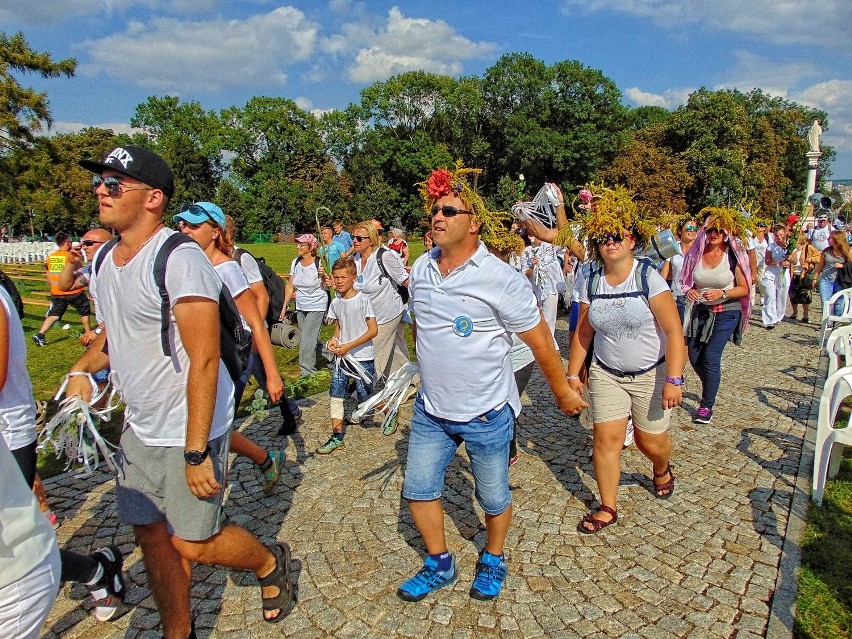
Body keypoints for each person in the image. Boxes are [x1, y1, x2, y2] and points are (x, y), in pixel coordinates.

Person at [70, 146, 293, 635]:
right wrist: (81, 370)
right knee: (151, 537)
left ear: (153, 198)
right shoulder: (106, 258)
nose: (101, 192)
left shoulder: (179, 257)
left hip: (189, 426)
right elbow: (116, 336)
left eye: (114, 184)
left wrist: (196, 452)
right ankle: (179, 630)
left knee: (193, 542)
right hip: (140, 426)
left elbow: (205, 357)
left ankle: (266, 563)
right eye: (99, 182)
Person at [396, 165, 588, 603]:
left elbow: (541, 341)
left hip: (486, 412)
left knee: (493, 496)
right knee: (418, 491)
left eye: (448, 210)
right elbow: (420, 327)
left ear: (474, 221)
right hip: (432, 411)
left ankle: (494, 557)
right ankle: (439, 563)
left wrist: (562, 392)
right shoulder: (421, 269)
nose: (437, 217)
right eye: (433, 211)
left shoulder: (501, 279)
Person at [1, 283, 125, 627]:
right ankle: (96, 570)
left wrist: (84, 366)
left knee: (16, 543)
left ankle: (94, 570)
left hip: (8, 433)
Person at [566, 223, 686, 534]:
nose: (610, 242)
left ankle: (661, 467)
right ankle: (608, 506)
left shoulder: (648, 278)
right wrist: (572, 373)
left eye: (616, 236)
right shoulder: (592, 280)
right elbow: (584, 331)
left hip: (651, 374)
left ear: (631, 241)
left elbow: (674, 333)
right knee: (606, 441)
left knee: (650, 442)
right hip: (606, 372)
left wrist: (674, 378)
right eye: (603, 237)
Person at [175, 202, 287, 495]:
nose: (184, 230)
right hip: (203, 359)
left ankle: (213, 500)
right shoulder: (187, 266)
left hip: (231, 359)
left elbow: (256, 322)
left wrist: (272, 374)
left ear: (215, 232)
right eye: (182, 225)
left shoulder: (227, 268)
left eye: (193, 225)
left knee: (212, 425)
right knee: (212, 424)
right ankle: (265, 460)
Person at [225, 216, 301, 434]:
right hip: (232, 333)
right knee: (265, 376)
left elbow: (262, 298)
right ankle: (291, 411)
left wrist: (255, 332)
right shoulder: (215, 259)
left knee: (236, 383)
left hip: (249, 333)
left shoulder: (242, 258)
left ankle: (223, 430)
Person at [681, 213, 752, 423]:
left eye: (719, 230)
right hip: (700, 309)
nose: (714, 234)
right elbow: (686, 282)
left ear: (726, 233)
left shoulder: (733, 256)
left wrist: (723, 293)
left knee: (711, 356)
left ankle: (706, 405)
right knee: (694, 357)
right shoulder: (696, 254)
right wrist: (689, 292)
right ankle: (711, 383)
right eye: (710, 230)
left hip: (726, 310)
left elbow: (744, 288)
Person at [316, 257, 378, 454]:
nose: (339, 281)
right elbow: (339, 326)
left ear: (354, 278)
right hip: (343, 358)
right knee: (336, 392)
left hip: (362, 356)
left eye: (343, 277)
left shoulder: (363, 300)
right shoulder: (336, 302)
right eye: (336, 278)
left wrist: (350, 345)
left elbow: (373, 330)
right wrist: (335, 340)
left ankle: (385, 406)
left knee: (364, 394)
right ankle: (337, 436)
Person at [349, 220, 410, 386]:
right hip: (370, 316)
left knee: (375, 352)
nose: (355, 241)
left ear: (372, 239)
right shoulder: (355, 259)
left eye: (359, 238)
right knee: (395, 350)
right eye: (353, 237)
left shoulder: (385, 256)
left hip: (388, 313)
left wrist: (424, 301)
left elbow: (405, 280)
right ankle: (412, 381)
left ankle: (368, 390)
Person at [32, 232, 92, 346]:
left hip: (57, 291)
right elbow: (81, 272)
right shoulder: (70, 256)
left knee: (54, 314)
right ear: (67, 242)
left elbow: (49, 274)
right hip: (73, 291)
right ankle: (89, 334)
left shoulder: (51, 257)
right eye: (70, 241)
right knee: (84, 312)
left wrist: (51, 288)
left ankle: (41, 334)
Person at [282, 233, 328, 377]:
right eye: (298, 244)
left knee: (307, 339)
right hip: (301, 306)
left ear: (311, 247)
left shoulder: (320, 263)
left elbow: (329, 286)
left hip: (317, 305)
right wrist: (284, 306)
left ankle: (307, 372)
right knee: (310, 338)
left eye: (301, 244)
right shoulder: (295, 262)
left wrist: (324, 276)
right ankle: (334, 356)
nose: (298, 247)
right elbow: (290, 286)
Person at [523, 235, 564, 346]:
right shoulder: (526, 251)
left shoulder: (550, 246)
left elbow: (564, 241)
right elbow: (525, 274)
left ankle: (551, 347)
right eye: (532, 235)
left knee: (549, 322)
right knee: (537, 321)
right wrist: (532, 265)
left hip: (550, 289)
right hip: (534, 291)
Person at [660, 218, 699, 321]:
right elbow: (664, 273)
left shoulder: (700, 250)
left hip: (695, 297)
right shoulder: (673, 248)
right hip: (676, 295)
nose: (692, 231)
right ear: (679, 231)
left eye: (695, 228)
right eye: (689, 228)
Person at [812, 229, 852, 316]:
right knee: (825, 301)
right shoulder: (826, 251)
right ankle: (826, 323)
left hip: (840, 280)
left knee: (839, 302)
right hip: (826, 279)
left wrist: (843, 265)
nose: (828, 239)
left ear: (837, 240)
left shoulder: (848, 251)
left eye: (830, 238)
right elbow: (820, 266)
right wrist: (815, 278)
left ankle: (836, 322)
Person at [761, 224, 792, 329]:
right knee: (770, 295)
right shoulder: (771, 246)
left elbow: (795, 260)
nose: (779, 237)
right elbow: (767, 261)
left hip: (783, 274)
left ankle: (779, 316)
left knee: (781, 296)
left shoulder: (790, 246)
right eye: (777, 235)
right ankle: (769, 319)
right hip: (771, 273)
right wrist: (778, 263)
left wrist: (788, 260)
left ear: (784, 234)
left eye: (781, 235)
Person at [789, 235, 820, 322]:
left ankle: (805, 315)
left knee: (805, 294)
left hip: (805, 274)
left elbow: (819, 257)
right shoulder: (791, 250)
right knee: (792, 294)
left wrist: (810, 259)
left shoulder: (808, 248)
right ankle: (794, 312)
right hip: (793, 273)